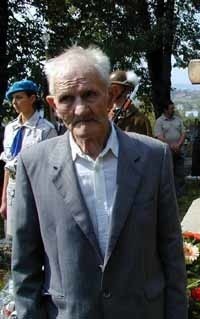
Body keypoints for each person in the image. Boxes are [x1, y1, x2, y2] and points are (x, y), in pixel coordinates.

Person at [12, 46, 187, 319]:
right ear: (53, 106)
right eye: (67, 98)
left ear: (109, 95)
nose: (81, 109)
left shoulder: (153, 157)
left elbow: (171, 250)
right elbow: (25, 267)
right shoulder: (33, 164)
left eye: (90, 94)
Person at [0, 79, 57, 239]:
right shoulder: (11, 129)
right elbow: (7, 164)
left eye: (19, 97)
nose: (14, 102)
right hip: (13, 186)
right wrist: (3, 199)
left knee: (33, 235)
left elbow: (51, 168)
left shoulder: (45, 129)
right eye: (12, 98)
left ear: (32, 99)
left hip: (35, 187)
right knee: (13, 235)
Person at [154, 101, 186, 197]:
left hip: (179, 150)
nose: (173, 110)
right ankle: (169, 194)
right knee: (168, 172)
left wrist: (178, 145)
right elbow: (159, 136)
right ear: (165, 110)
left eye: (173, 108)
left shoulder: (178, 120)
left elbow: (183, 133)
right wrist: (172, 146)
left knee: (180, 171)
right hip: (167, 151)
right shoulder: (159, 121)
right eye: (171, 108)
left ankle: (180, 193)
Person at [109, 69, 152, 136]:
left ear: (126, 90)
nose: (111, 91)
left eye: (115, 88)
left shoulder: (140, 120)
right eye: (109, 87)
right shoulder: (104, 115)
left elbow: (149, 144)